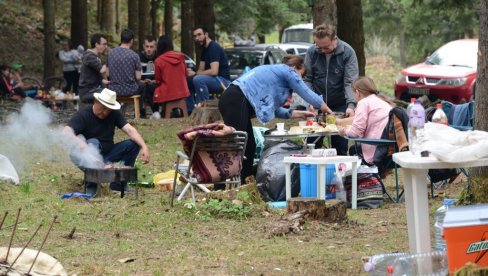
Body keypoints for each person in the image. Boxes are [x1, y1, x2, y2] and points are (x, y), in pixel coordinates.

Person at [218, 55, 333, 183]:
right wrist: (324, 107)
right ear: (296, 68)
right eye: (301, 75)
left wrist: (297, 114)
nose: (300, 80)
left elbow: (272, 109)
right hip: (235, 99)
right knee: (236, 145)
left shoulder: (275, 78)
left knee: (249, 145)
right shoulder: (287, 71)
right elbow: (305, 91)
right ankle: (221, 184)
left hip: (234, 99)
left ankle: (244, 183)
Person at [62, 88, 151, 196]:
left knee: (133, 145)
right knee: (93, 143)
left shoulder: (114, 114)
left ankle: (119, 185)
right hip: (87, 156)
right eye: (103, 108)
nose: (105, 112)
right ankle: (92, 186)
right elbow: (66, 131)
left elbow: (130, 130)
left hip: (109, 153)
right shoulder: (83, 115)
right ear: (96, 101)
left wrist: (144, 146)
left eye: (109, 109)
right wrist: (80, 142)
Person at [304, 24, 359, 156]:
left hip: (340, 106)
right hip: (317, 104)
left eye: (326, 47)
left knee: (339, 146)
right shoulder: (312, 52)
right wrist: (311, 102)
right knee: (312, 145)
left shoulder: (348, 52)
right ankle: (314, 174)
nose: (322, 50)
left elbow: (349, 82)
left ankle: (339, 175)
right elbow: (307, 79)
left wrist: (351, 105)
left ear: (335, 39)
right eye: (319, 46)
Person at [336, 76, 394, 165]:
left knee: (353, 150)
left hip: (378, 148)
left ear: (358, 92)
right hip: (391, 147)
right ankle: (373, 177)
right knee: (354, 149)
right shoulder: (381, 101)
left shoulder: (364, 103)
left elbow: (355, 133)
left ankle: (363, 177)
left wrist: (343, 131)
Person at [186, 25, 230, 113]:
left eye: (199, 35)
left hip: (222, 81)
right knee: (188, 80)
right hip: (211, 79)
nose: (197, 38)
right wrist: (194, 74)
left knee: (198, 79)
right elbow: (200, 70)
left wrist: (195, 74)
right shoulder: (204, 50)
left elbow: (214, 71)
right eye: (195, 36)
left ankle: (204, 110)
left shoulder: (213, 47)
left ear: (206, 34)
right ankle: (190, 110)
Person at [107, 29, 143, 116]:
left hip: (113, 89)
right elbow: (138, 77)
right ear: (131, 41)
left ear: (121, 39)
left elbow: (108, 74)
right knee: (143, 85)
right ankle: (139, 113)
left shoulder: (111, 53)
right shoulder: (134, 55)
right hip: (129, 90)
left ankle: (119, 110)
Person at [152, 35, 190, 118]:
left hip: (168, 92)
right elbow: (185, 74)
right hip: (183, 91)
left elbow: (158, 80)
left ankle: (156, 112)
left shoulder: (159, 60)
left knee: (153, 88)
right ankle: (176, 111)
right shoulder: (181, 57)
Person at [79, 33, 109, 105]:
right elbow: (102, 70)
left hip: (93, 89)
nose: (106, 46)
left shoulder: (94, 57)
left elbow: (96, 76)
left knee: (112, 92)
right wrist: (110, 57)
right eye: (104, 44)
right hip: (88, 91)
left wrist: (105, 81)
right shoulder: (90, 56)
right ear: (96, 44)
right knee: (110, 95)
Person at [138, 35, 158, 118]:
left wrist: (153, 81)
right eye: (147, 46)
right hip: (142, 82)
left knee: (150, 87)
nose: (149, 49)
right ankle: (141, 111)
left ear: (155, 47)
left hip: (155, 82)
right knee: (143, 86)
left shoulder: (159, 57)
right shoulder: (138, 57)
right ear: (143, 46)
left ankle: (156, 112)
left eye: (151, 47)